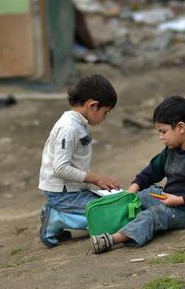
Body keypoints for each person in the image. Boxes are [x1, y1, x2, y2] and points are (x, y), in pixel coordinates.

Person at [91, 96, 185, 254]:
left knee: (153, 215)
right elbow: (154, 170)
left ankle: (112, 239)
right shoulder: (171, 150)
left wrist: (178, 200)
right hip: (167, 198)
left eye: (163, 131)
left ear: (181, 127)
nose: (160, 137)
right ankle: (116, 223)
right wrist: (133, 188)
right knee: (139, 197)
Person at [38, 74, 121, 247]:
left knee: (113, 204)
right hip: (63, 195)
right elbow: (60, 168)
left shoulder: (77, 123)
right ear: (92, 105)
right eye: (105, 112)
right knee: (108, 217)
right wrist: (96, 178)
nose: (104, 117)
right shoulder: (68, 128)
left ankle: (61, 215)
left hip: (73, 192)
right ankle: (55, 215)